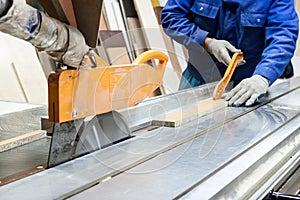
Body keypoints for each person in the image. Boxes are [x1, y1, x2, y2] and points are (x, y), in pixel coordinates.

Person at [161, 0, 299, 106]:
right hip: (198, 80)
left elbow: (283, 35)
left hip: (248, 86)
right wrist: (206, 42)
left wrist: (262, 77)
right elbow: (172, 17)